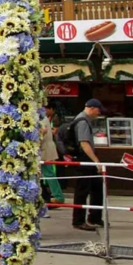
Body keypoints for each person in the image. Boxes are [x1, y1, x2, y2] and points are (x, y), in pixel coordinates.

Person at [63, 99, 106, 231]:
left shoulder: (83, 120)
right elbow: (84, 143)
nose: (98, 113)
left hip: (86, 159)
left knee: (97, 187)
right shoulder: (82, 122)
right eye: (98, 110)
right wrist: (95, 160)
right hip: (84, 159)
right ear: (92, 108)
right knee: (82, 190)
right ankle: (78, 220)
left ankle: (95, 217)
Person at [40, 106, 66, 206]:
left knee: (49, 174)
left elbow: (43, 130)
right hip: (47, 147)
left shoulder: (40, 117)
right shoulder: (43, 117)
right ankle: (56, 195)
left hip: (44, 149)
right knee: (48, 174)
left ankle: (58, 196)